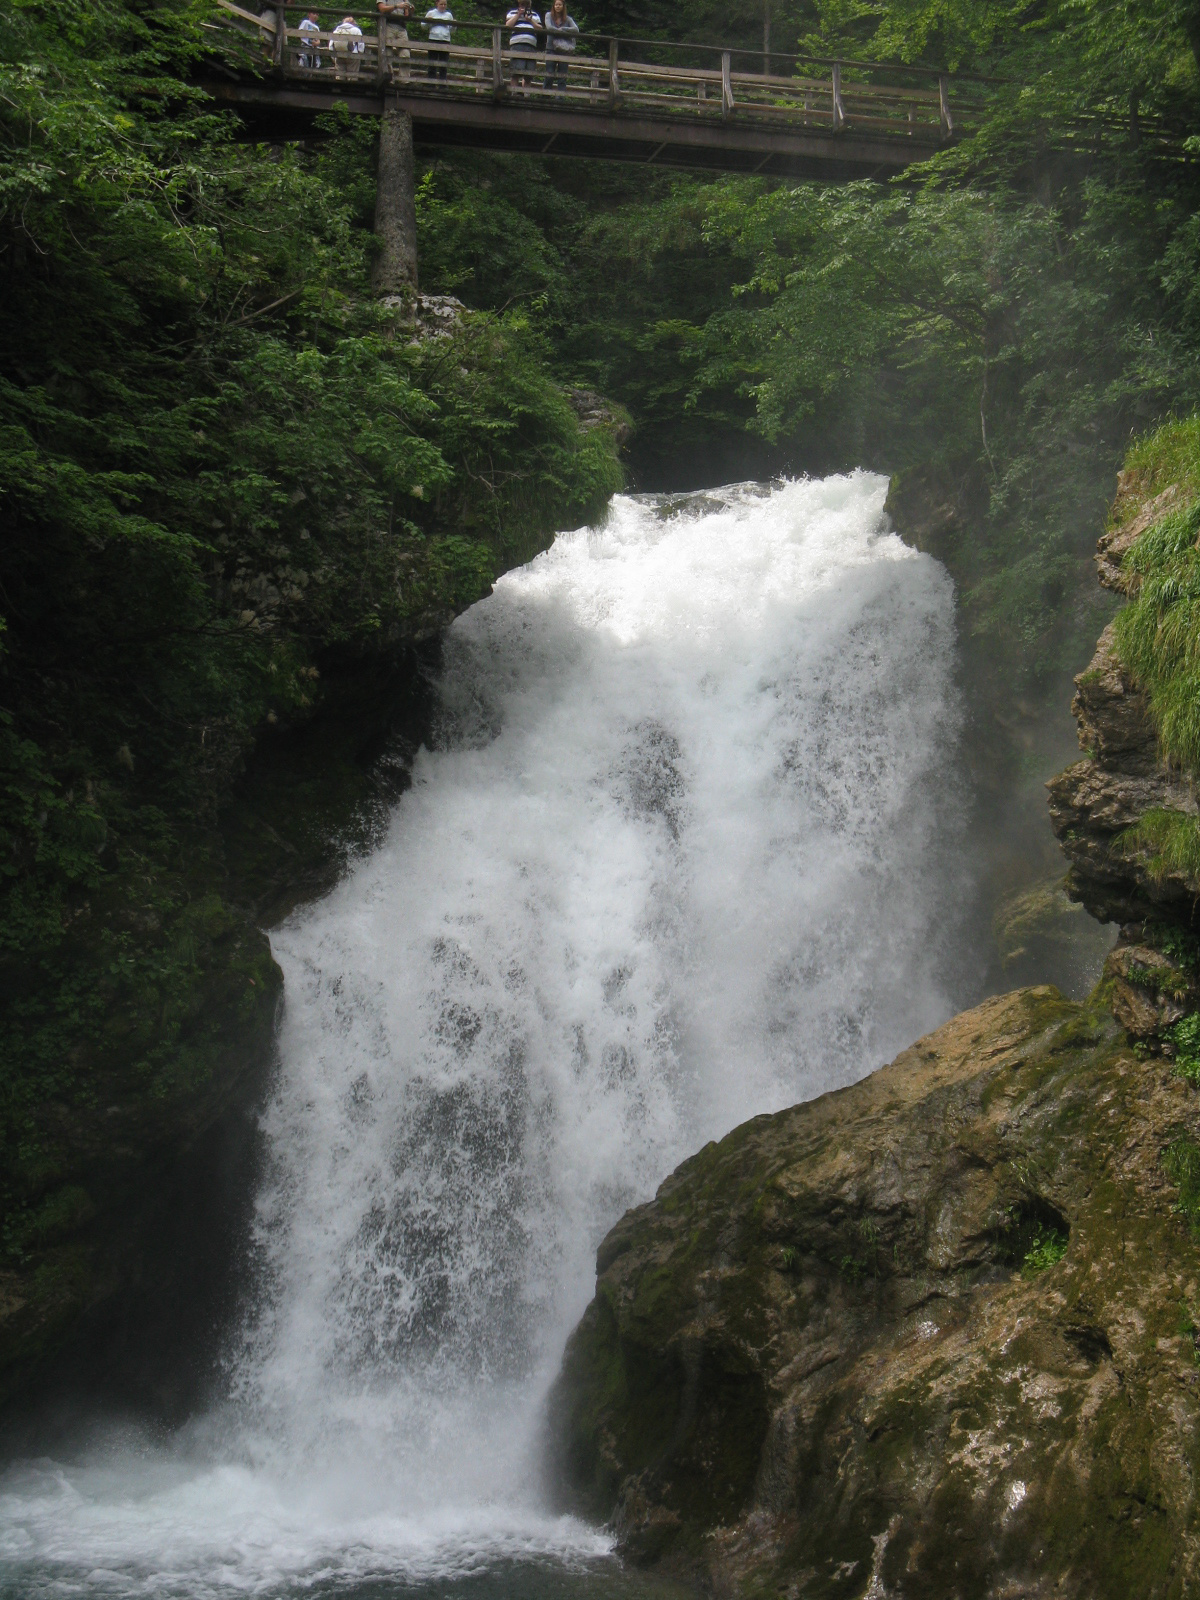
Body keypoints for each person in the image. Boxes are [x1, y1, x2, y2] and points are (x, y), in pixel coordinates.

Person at [542, 0, 576, 92]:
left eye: (560, 5)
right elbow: (549, 27)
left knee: (562, 75)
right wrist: (561, 31)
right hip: (551, 48)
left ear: (563, 6)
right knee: (549, 73)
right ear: (553, 6)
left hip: (564, 49)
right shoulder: (548, 15)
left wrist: (563, 28)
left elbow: (576, 29)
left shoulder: (568, 19)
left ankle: (560, 97)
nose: (558, 6)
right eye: (556, 4)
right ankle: (545, 95)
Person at [506, 0, 540, 89]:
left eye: (526, 4)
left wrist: (531, 20)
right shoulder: (512, 13)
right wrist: (518, 14)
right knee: (516, 71)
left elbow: (540, 28)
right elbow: (508, 25)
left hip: (531, 44)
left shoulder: (534, 15)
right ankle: (514, 92)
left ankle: (526, 94)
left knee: (529, 73)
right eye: (522, 4)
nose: (524, 6)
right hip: (517, 43)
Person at [377, 0, 413, 79]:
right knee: (388, 53)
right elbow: (382, 9)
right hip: (387, 25)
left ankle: (405, 79)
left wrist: (410, 9)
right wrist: (396, 6)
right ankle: (389, 78)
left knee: (405, 53)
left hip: (401, 27)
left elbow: (407, 16)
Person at [423, 0, 454, 79]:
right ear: (437, 4)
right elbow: (423, 26)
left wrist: (454, 25)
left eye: (445, 4)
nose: (443, 6)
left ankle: (442, 84)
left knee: (443, 63)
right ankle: (431, 83)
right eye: (441, 4)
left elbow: (452, 30)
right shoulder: (431, 13)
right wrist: (428, 21)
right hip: (433, 39)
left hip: (445, 40)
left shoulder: (449, 15)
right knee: (432, 62)